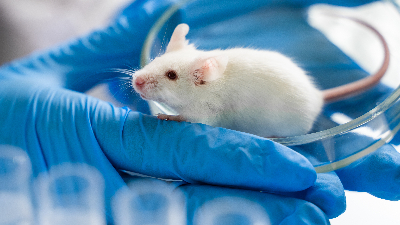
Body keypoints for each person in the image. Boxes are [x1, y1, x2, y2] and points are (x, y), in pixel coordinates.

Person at [0, 0, 399, 224]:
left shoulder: (207, 84)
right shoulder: (196, 72)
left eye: (169, 73)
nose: (142, 80)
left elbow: (206, 115)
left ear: (202, 76)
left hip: (291, 115)